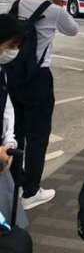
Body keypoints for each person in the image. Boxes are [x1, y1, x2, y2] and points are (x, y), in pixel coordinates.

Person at [8, 0, 79, 210]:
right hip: (38, 78)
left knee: (16, 132)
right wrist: (59, 3)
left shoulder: (17, 5)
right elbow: (73, 30)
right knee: (38, 136)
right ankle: (31, 192)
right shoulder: (53, 11)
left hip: (14, 75)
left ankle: (16, 185)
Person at [0, 14, 27, 228]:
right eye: (11, 45)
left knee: (10, 216)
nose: (13, 51)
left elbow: (6, 108)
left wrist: (9, 141)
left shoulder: (2, 72)